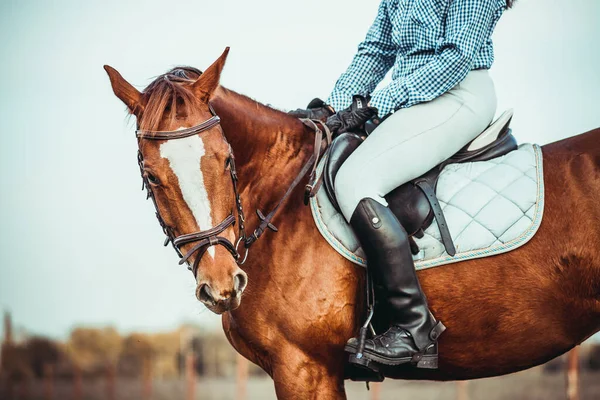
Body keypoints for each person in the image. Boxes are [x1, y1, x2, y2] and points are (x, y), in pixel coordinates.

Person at [290, 0, 512, 369]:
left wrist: (381, 102)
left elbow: (458, 56)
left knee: (356, 179)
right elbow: (375, 52)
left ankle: (415, 328)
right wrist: (333, 108)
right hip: (411, 103)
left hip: (458, 94)